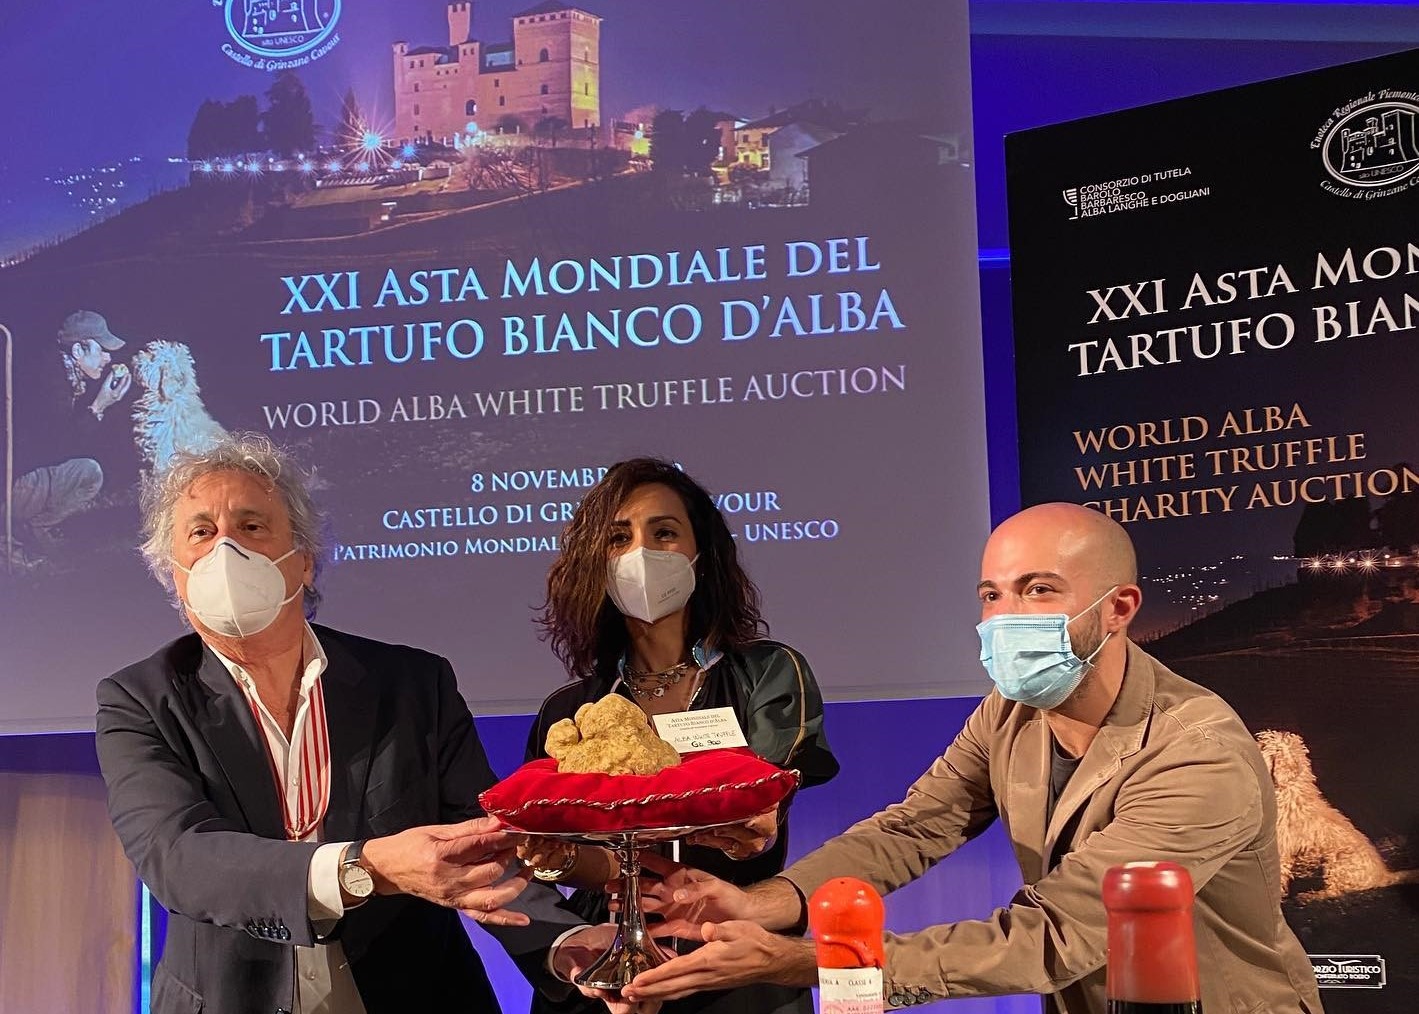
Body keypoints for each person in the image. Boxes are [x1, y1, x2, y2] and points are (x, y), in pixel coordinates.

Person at [615, 502, 1324, 1014]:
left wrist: (814, 962)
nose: (1005, 615)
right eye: (992, 594)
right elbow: (915, 827)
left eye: (1038, 590)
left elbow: (1057, 935)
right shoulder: (1008, 710)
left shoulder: (1197, 753)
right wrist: (763, 901)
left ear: (1119, 608)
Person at [95, 433, 580, 1014]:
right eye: (201, 532)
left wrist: (566, 945)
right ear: (173, 573)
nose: (226, 549)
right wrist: (365, 868)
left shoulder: (413, 684)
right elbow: (180, 858)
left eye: (251, 526)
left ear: (302, 560)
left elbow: (479, 841)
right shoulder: (140, 700)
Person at [521, 458, 839, 1014]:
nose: (641, 553)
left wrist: (740, 828)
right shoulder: (569, 710)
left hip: (733, 953)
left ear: (701, 553)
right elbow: (577, 857)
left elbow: (757, 821)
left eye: (664, 532)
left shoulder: (768, 672)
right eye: (619, 538)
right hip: (606, 966)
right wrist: (562, 860)